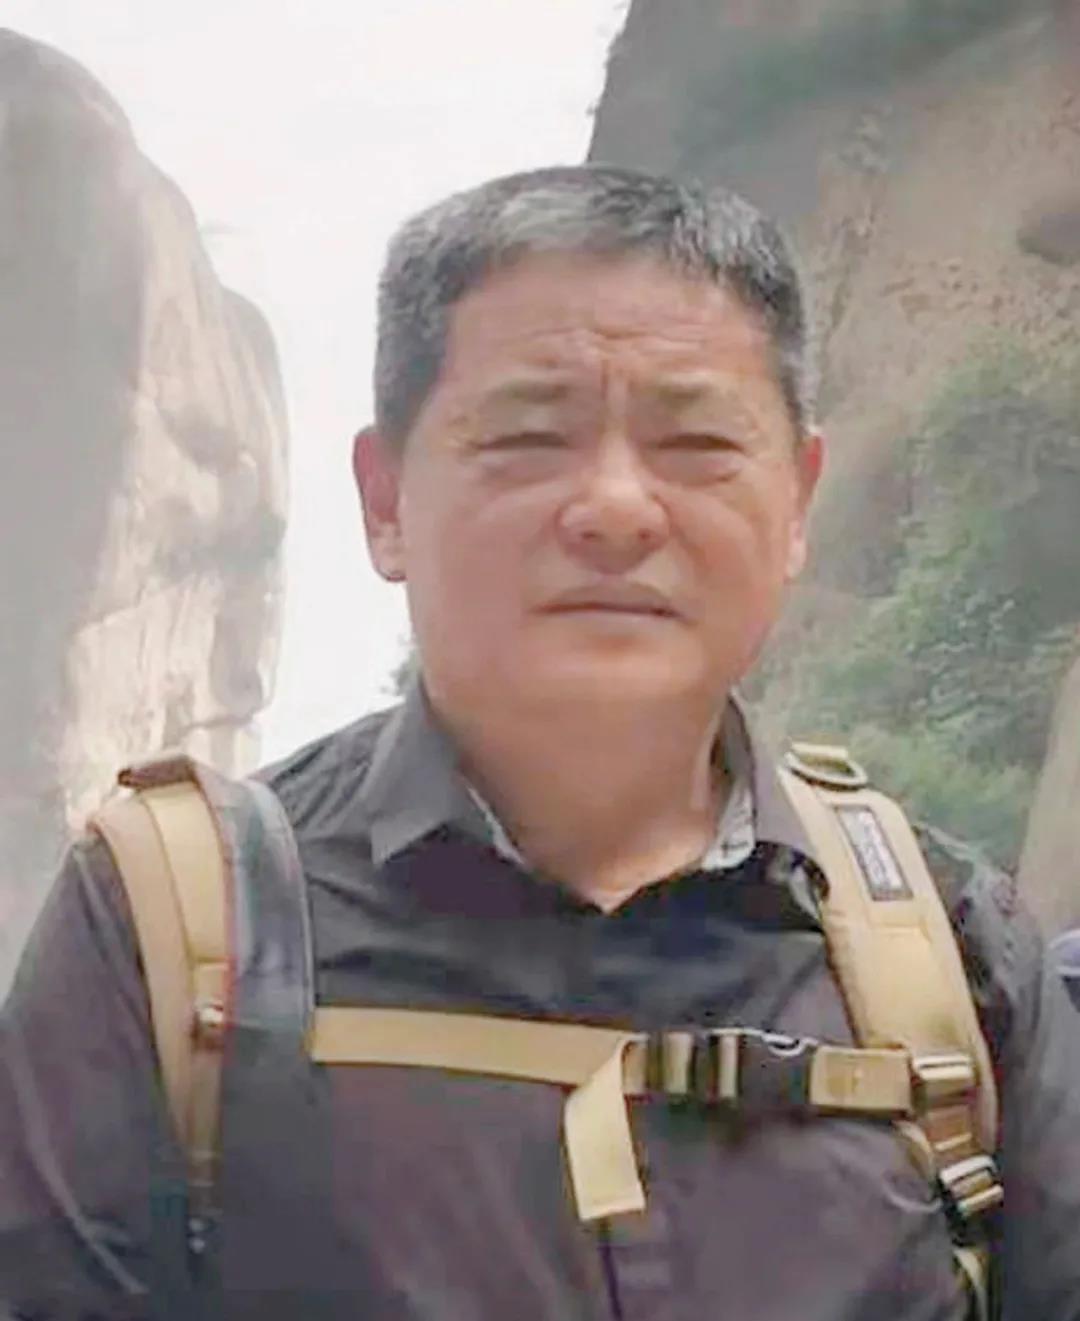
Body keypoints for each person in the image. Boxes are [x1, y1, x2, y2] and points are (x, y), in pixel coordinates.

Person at [2, 163, 1079, 1321]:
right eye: (527, 437)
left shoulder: (958, 959)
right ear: (385, 501)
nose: (615, 507)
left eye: (695, 442)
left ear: (798, 502)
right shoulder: (176, 928)